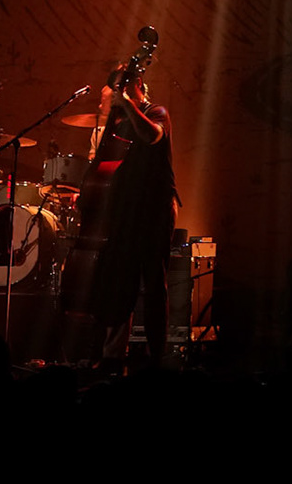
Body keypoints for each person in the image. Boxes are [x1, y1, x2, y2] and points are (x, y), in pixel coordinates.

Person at [83, 68, 179, 368]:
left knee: (154, 282)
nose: (115, 95)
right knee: (119, 280)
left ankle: (156, 356)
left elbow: (151, 136)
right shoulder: (118, 123)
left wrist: (126, 104)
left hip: (155, 207)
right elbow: (106, 166)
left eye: (120, 88)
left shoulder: (156, 112)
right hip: (127, 208)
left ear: (137, 84)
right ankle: (112, 355)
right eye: (114, 90)